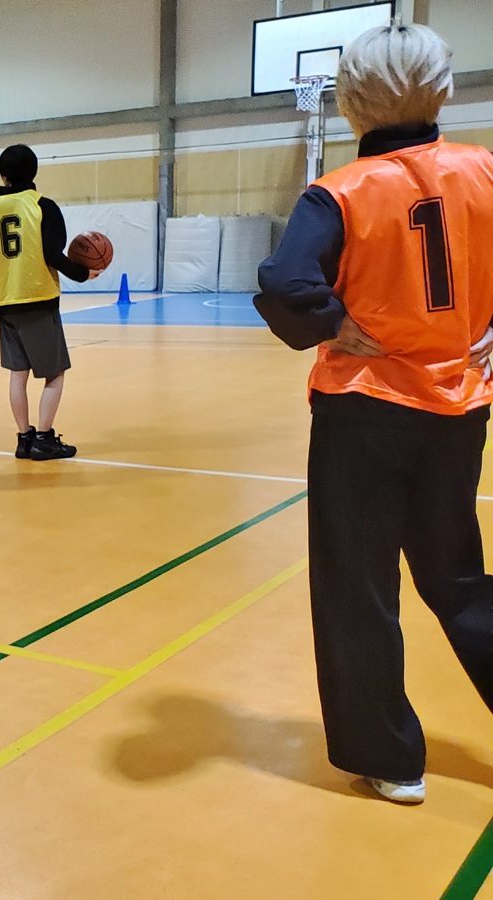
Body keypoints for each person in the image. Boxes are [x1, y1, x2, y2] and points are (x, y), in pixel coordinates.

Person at [255, 23, 493, 806]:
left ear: (351, 101)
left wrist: (329, 322)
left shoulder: (341, 192)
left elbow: (288, 283)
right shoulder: (484, 172)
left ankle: (390, 757)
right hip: (460, 407)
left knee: (357, 584)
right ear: (444, 89)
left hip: (364, 409)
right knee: (456, 575)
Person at [0, 144, 102, 461]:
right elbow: (52, 255)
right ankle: (44, 439)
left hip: (4, 302)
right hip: (38, 299)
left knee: (18, 375)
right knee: (54, 374)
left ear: (2, 176)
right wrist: (84, 273)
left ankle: (23, 437)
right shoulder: (43, 206)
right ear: (34, 173)